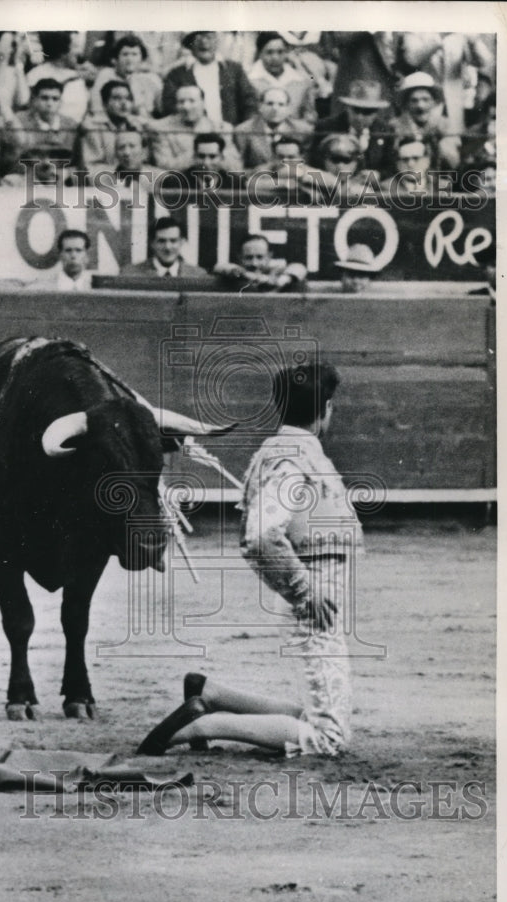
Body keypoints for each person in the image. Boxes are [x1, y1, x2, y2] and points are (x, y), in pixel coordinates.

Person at [137, 361, 360, 759]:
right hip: (313, 599)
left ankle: (211, 694)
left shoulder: (293, 452)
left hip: (315, 596)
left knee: (316, 718)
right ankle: (201, 725)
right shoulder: (293, 458)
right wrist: (305, 591)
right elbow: (260, 535)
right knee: (328, 738)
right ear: (325, 409)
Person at [161, 31, 259, 126]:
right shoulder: (177, 74)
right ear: (190, 45)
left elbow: (250, 101)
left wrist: (243, 128)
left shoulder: (234, 70)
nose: (204, 42)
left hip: (229, 133)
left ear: (216, 41)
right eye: (197, 38)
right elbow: (169, 106)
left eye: (208, 37)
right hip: (191, 135)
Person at [309, 79, 395, 177]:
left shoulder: (385, 131)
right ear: (347, 107)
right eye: (356, 110)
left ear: (377, 112)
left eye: (367, 112)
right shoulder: (326, 127)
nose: (360, 117)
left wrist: (378, 175)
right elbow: (314, 161)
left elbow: (391, 166)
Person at [150, 84, 241, 172]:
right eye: (181, 102)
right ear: (176, 105)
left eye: (192, 101)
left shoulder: (220, 128)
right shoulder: (161, 128)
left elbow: (235, 164)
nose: (186, 107)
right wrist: (199, 155)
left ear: (203, 103)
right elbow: (163, 164)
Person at [4, 77, 79, 179]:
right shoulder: (20, 121)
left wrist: (64, 173)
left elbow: (77, 162)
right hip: (27, 177)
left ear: (61, 102)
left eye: (55, 99)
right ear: (34, 100)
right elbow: (12, 160)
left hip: (60, 178)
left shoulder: (70, 125)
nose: (49, 103)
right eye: (44, 98)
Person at [78, 80, 148, 182]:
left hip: (136, 179)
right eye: (117, 98)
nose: (124, 103)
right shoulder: (92, 127)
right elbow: (90, 168)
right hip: (105, 182)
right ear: (105, 103)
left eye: (128, 98)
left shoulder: (136, 125)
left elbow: (143, 160)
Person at [233, 86, 313, 173]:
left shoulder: (303, 130)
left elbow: (307, 164)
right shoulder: (243, 130)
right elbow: (238, 169)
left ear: (288, 109)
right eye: (270, 104)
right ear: (260, 106)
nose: (275, 109)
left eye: (281, 104)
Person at [392, 71, 459, 170]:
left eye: (425, 99)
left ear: (434, 102)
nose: (420, 106)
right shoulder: (395, 125)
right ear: (406, 104)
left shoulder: (445, 125)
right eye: (414, 100)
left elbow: (454, 163)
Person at [247, 32, 318, 123]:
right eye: (269, 52)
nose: (275, 57)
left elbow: (310, 116)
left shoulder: (301, 81)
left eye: (280, 52)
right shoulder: (249, 81)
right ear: (260, 54)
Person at [88, 34, 163, 118]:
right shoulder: (106, 75)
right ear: (116, 59)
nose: (129, 59)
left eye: (134, 54)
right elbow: (96, 106)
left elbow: (162, 109)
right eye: (125, 54)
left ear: (142, 59)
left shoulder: (150, 79)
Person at [120, 215, 206, 278]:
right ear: (152, 243)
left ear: (182, 242)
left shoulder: (198, 276)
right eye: (161, 241)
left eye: (173, 241)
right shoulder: (130, 274)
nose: (168, 247)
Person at [213, 233, 307, 291]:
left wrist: (282, 280)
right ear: (240, 257)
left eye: (260, 257)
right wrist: (248, 275)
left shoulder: (275, 272)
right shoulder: (235, 272)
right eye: (248, 258)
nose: (254, 263)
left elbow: (299, 268)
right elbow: (219, 267)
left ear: (269, 257)